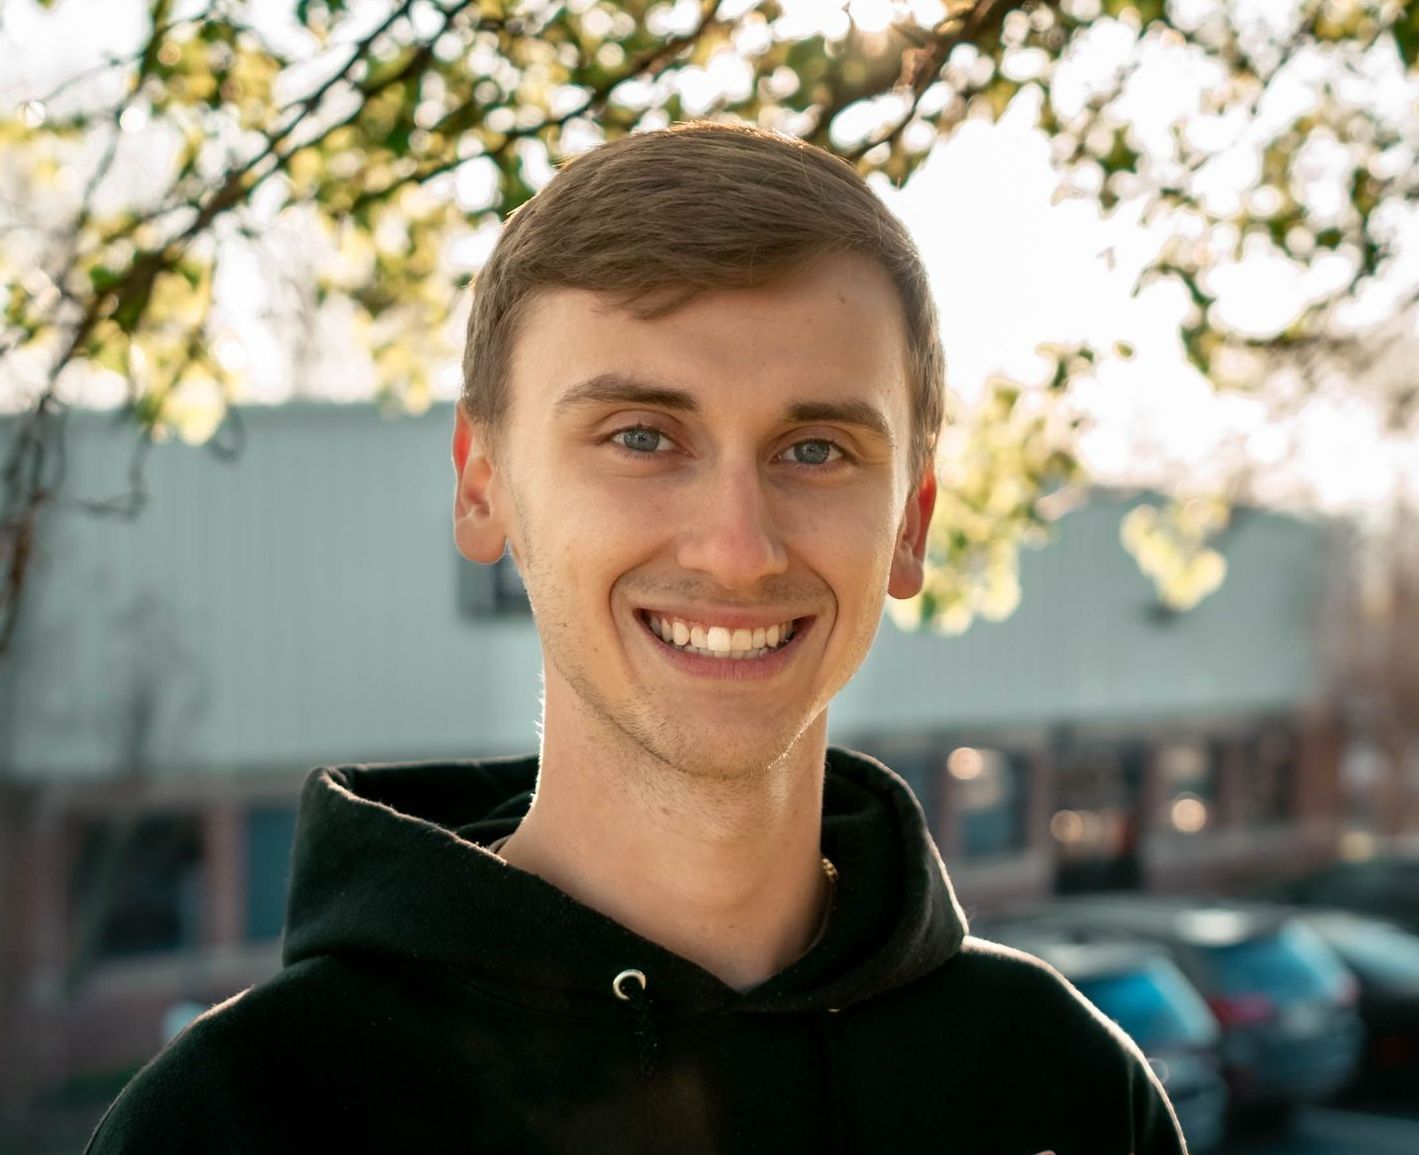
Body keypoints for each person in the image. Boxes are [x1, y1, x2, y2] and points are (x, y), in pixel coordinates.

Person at [86, 122, 1187, 1154]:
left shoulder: (1065, 1088)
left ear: (911, 521)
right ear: (483, 486)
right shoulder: (245, 1118)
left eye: (815, 450)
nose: (737, 549)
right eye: (644, 436)